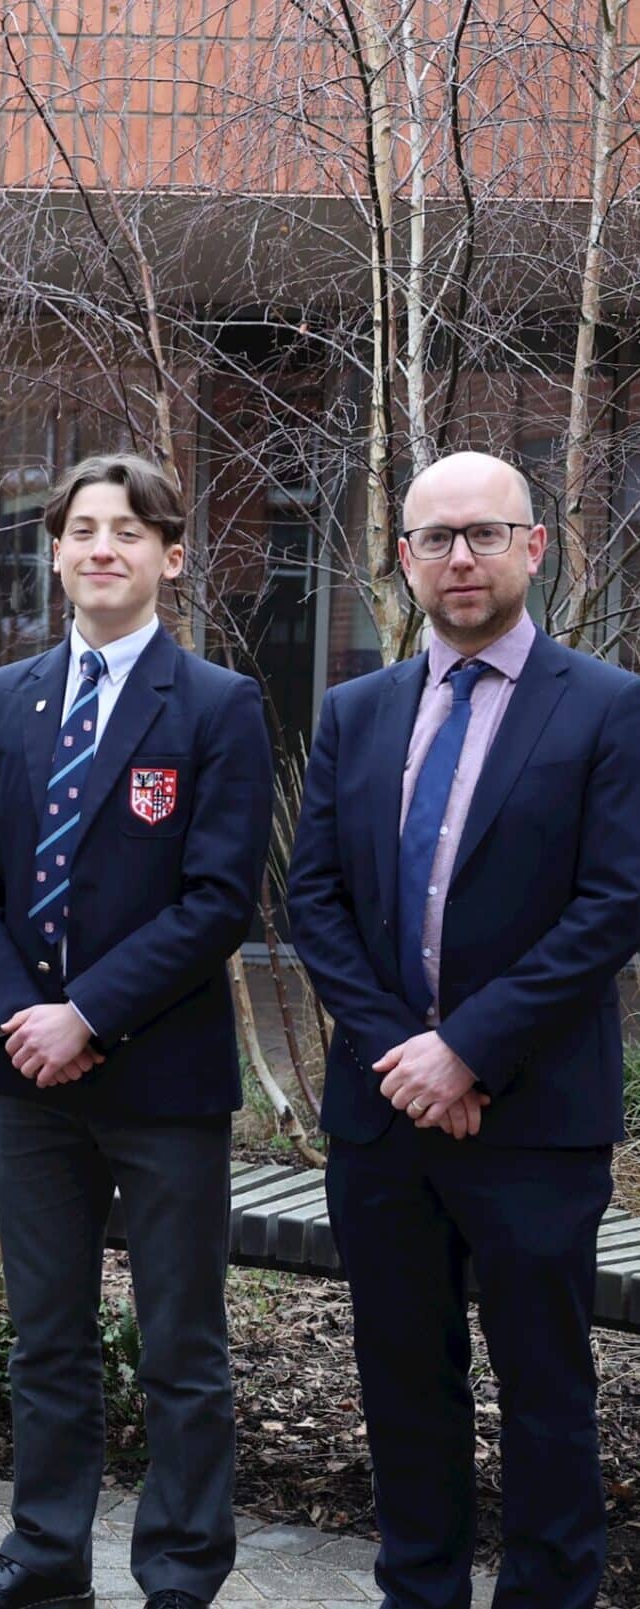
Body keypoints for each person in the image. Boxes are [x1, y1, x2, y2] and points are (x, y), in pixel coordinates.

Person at [286, 451, 640, 1609]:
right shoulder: (356, 711)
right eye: (435, 538)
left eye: (486, 534)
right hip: (387, 1121)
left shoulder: (606, 706)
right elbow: (316, 902)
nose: (461, 558)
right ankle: (419, 1591)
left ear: (536, 547)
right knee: (402, 1378)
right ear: (403, 560)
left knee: (546, 1386)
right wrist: (410, 1058)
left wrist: (470, 1049)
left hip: (532, 1117)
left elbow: (614, 903)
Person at [0, 455, 271, 1609]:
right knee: (48, 1340)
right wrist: (22, 1021)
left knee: (180, 1346)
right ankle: (44, 1560)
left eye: (130, 530)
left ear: (171, 555)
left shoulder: (220, 705)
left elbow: (219, 899)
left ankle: (179, 1573)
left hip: (162, 1082)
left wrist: (88, 1013)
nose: (103, 547)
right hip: (30, 1080)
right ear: (60, 552)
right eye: (82, 529)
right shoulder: (5, 700)